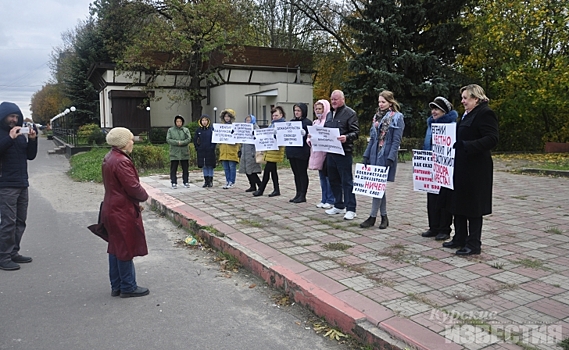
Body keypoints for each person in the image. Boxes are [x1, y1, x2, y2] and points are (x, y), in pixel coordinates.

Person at [442, 84, 499, 256]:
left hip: (476, 168)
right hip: (461, 166)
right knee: (458, 202)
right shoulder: (467, 115)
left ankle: (473, 243)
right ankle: (459, 237)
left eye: (466, 98)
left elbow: (492, 138)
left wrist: (467, 146)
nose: (463, 101)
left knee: (473, 207)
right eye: (463, 98)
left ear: (476, 98)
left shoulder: (485, 113)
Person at [101, 127, 150, 297]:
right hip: (121, 210)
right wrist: (144, 196)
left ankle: (117, 285)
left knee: (115, 246)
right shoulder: (121, 161)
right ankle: (128, 286)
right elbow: (133, 187)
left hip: (112, 206)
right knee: (125, 247)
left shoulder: (110, 157)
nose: (132, 142)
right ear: (122, 143)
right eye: (130, 139)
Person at [0, 102, 37, 271]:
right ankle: (3, 256)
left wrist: (32, 140)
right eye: (11, 116)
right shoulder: (3, 134)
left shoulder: (20, 135)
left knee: (20, 221)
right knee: (8, 222)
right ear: (4, 116)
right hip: (6, 184)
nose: (14, 120)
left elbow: (30, 156)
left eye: (16, 117)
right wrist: (10, 138)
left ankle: (13, 252)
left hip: (22, 183)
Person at [359, 90, 405, 229]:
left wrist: (390, 158)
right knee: (377, 187)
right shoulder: (376, 117)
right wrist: (366, 156)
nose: (380, 104)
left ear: (390, 102)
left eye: (383, 102)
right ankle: (383, 217)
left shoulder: (397, 117)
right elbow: (372, 139)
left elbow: (396, 140)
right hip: (374, 154)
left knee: (379, 186)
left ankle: (373, 217)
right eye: (379, 102)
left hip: (385, 155)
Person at [421, 97, 457, 241]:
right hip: (432, 167)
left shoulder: (452, 126)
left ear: (444, 111)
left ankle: (444, 229)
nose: (433, 112)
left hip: (446, 168)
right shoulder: (431, 125)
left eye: (436, 109)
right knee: (432, 198)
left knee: (445, 199)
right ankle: (433, 226)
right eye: (432, 109)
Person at [324, 90, 359, 220]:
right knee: (333, 179)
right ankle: (338, 205)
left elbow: (356, 132)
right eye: (332, 99)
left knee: (347, 181)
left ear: (343, 99)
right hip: (331, 152)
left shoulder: (350, 113)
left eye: (336, 99)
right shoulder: (329, 114)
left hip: (344, 152)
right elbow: (325, 131)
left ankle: (351, 209)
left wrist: (346, 137)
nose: (333, 101)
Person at [253, 106, 286, 197]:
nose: (274, 117)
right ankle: (276, 189)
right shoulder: (273, 124)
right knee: (273, 171)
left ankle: (261, 189)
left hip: (276, 150)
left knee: (268, 170)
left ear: (281, 115)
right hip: (270, 149)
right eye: (273, 115)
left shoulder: (282, 125)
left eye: (276, 115)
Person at [308, 99, 334, 209]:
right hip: (317, 152)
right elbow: (310, 136)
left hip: (326, 153)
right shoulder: (315, 122)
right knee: (322, 177)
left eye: (320, 109)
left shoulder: (328, 121)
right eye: (316, 109)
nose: (318, 111)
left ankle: (330, 199)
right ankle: (324, 199)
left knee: (328, 177)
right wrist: (309, 139)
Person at [286, 103, 313, 203]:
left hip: (302, 152)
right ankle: (298, 193)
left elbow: (311, 136)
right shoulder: (292, 122)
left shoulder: (307, 122)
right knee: (296, 173)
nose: (296, 112)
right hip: (292, 151)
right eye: (295, 110)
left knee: (302, 173)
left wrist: (305, 134)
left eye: (298, 110)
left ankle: (303, 194)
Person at [166, 115, 192, 189]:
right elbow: (168, 139)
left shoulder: (185, 130)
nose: (179, 123)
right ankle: (173, 182)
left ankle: (186, 181)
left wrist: (182, 142)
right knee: (173, 168)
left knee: (185, 168)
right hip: (174, 152)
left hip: (184, 152)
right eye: (177, 121)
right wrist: (177, 142)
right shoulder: (171, 130)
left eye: (180, 121)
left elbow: (189, 138)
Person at [218, 109, 240, 189]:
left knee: (232, 166)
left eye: (228, 116)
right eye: (225, 116)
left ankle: (231, 181)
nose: (226, 118)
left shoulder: (235, 127)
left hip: (232, 150)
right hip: (224, 150)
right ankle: (227, 180)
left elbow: (238, 139)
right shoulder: (221, 127)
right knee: (226, 167)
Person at [239, 115, 262, 192]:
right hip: (245, 152)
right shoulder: (244, 128)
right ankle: (252, 185)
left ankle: (260, 184)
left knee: (252, 171)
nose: (247, 122)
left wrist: (254, 134)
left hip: (252, 152)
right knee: (246, 170)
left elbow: (259, 137)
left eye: (249, 120)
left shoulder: (256, 128)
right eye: (246, 120)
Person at [194, 114, 216, 188]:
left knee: (210, 166)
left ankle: (210, 181)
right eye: (203, 120)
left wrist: (212, 147)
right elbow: (195, 140)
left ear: (208, 121)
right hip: (201, 151)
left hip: (210, 151)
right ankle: (206, 181)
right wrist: (197, 148)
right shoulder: (198, 130)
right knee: (204, 166)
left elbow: (214, 139)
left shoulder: (211, 129)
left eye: (205, 120)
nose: (204, 122)